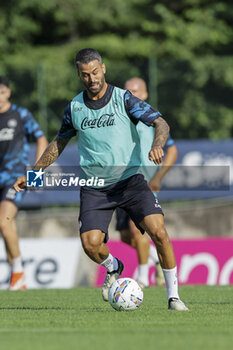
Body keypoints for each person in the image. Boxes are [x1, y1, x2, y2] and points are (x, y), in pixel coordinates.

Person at [14, 48, 188, 310]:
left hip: (131, 181)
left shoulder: (124, 99)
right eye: (85, 75)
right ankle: (114, 266)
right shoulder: (74, 108)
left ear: (103, 69)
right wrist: (36, 172)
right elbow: (58, 143)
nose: (91, 78)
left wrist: (158, 144)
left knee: (159, 231)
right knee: (91, 244)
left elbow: (161, 123)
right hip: (95, 187)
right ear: (79, 75)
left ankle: (174, 297)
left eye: (95, 72)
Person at [116, 77, 178, 288]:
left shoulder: (151, 120)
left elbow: (172, 150)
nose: (130, 95)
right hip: (120, 181)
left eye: (134, 91)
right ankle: (155, 259)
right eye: (127, 91)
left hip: (143, 183)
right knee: (125, 236)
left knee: (137, 230)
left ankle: (143, 278)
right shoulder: (119, 117)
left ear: (144, 95)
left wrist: (158, 177)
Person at [0, 76, 48, 290]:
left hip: (14, 178)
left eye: (1, 92)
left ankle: (18, 272)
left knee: (4, 221)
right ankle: (18, 279)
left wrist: (36, 174)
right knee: (6, 226)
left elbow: (41, 139)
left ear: (8, 92)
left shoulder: (20, 115)